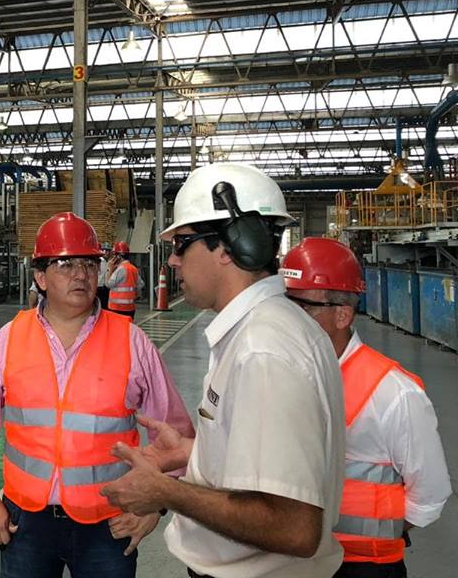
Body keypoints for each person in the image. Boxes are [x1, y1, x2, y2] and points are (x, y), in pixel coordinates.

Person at [100, 162, 346, 578]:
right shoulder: (261, 331)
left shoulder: (263, 350)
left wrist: (165, 492)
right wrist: (194, 452)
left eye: (182, 244)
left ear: (232, 246)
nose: (173, 261)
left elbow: (294, 527)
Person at [0, 211, 194, 578]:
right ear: (40, 277)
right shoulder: (10, 338)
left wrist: (154, 506)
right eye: (66, 264)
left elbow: (176, 435)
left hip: (109, 523)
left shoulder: (131, 341)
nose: (81, 274)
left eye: (89, 264)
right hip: (26, 522)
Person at [281, 238, 452, 578]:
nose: (285, 320)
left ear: (342, 315)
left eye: (301, 307)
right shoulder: (278, 376)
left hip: (363, 566)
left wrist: (375, 530)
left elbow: (429, 496)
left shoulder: (394, 394)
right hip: (288, 563)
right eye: (283, 305)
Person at [106, 241, 142, 319]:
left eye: (114, 255)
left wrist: (109, 269)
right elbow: (140, 284)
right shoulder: (133, 268)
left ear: (119, 256)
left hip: (117, 308)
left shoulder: (120, 269)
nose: (112, 258)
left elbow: (108, 284)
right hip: (130, 308)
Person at [97, 242, 111, 309]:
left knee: (105, 307)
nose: (107, 253)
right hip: (99, 288)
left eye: (108, 251)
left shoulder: (109, 262)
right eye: (105, 250)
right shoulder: (99, 261)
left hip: (106, 288)